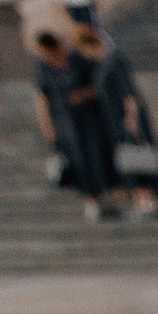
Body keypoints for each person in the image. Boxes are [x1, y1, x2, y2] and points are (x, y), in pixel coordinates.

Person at [81, 24, 158, 219]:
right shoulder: (100, 64)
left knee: (135, 156)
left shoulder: (115, 60)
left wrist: (132, 118)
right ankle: (139, 199)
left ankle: (147, 199)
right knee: (127, 159)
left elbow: (130, 91)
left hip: (126, 117)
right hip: (113, 119)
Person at [31, 32, 114, 220]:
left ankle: (101, 195)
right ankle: (91, 200)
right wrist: (47, 127)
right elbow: (42, 99)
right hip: (65, 124)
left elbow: (99, 83)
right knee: (79, 161)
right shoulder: (43, 69)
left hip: (90, 119)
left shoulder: (77, 59)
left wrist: (84, 94)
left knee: (96, 156)